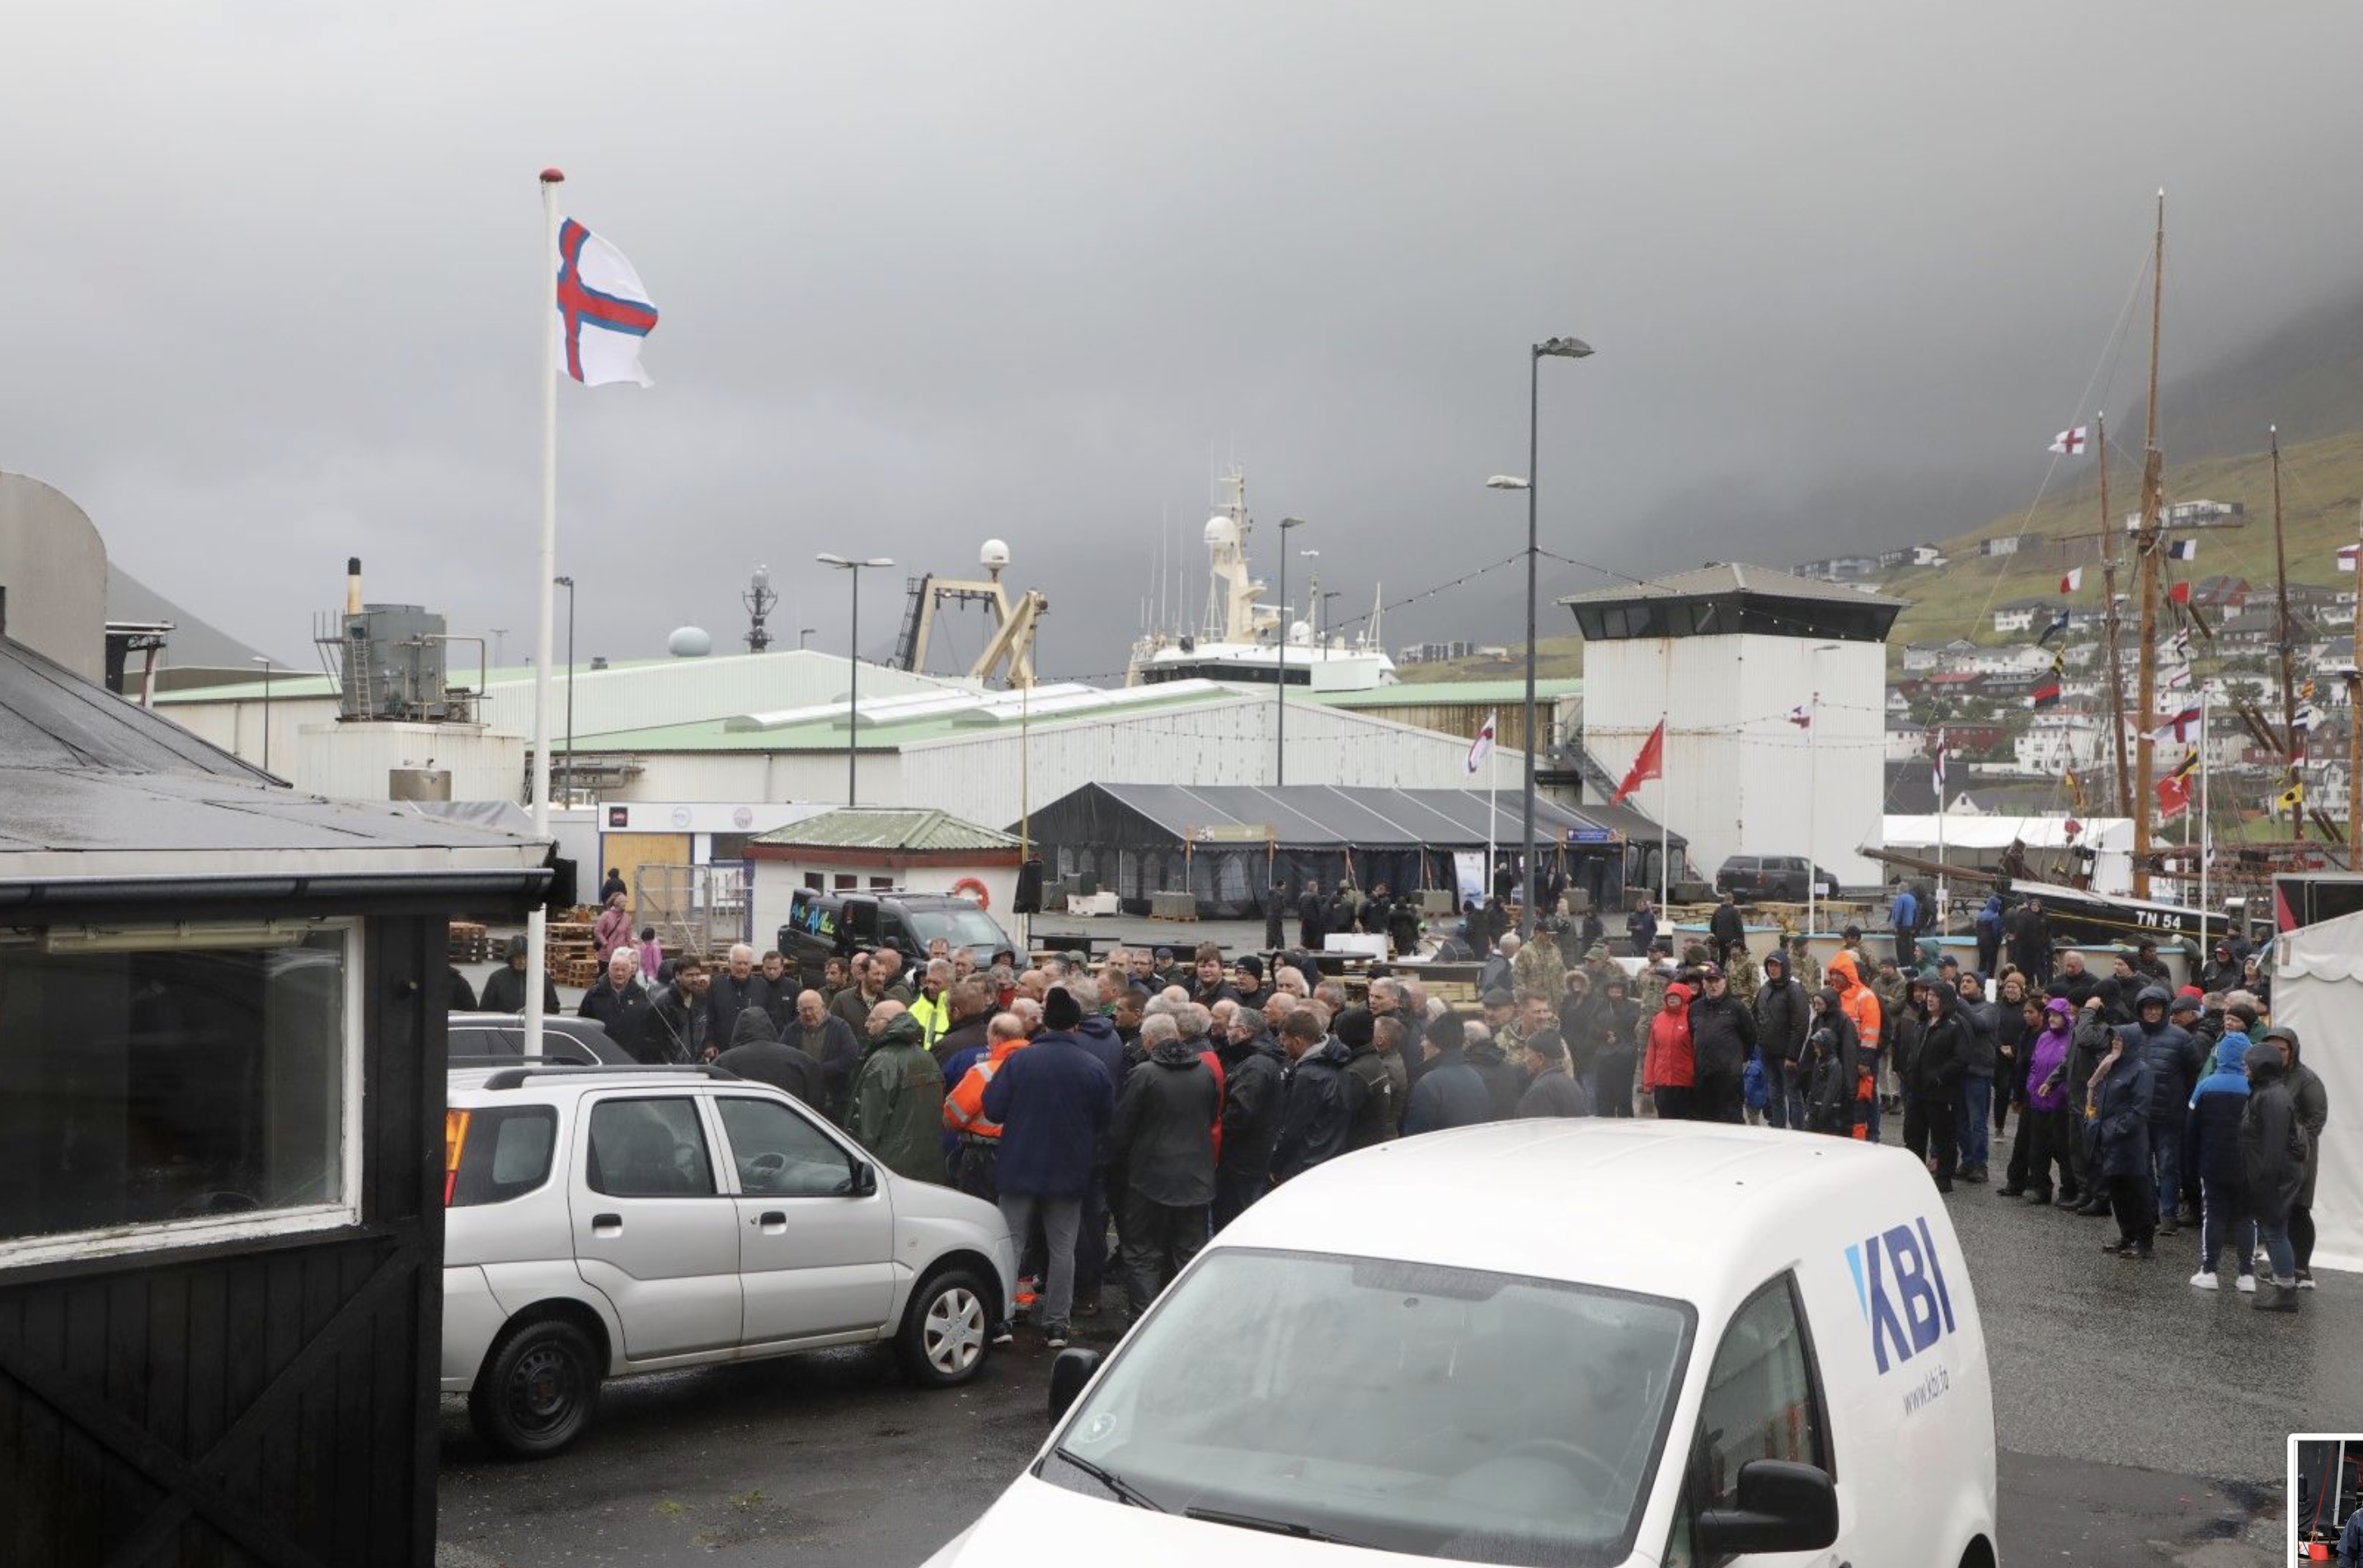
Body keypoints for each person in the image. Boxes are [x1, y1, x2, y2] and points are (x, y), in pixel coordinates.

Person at [983, 988, 1116, 1346]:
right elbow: (1106, 1118)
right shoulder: (1092, 1066)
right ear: (1076, 1027)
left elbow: (993, 1108)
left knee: (1011, 1244)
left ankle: (1002, 1319)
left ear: (1044, 1025)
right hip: (1068, 1169)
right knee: (1062, 1248)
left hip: (1019, 1165)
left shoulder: (1020, 1061)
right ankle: (1057, 1324)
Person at [1109, 1013, 1219, 1318]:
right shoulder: (1204, 1071)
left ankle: (1143, 1320)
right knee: (1189, 1251)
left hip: (1149, 1178)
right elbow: (1210, 1116)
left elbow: (1123, 1128)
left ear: (1148, 1041)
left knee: (1142, 1251)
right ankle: (1188, 1317)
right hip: (1196, 1177)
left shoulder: (1144, 1073)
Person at [2120, 984, 2202, 1237]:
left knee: (2168, 1166)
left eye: (2157, 1008)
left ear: (2165, 1010)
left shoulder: (2182, 1038)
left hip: (2169, 1114)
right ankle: (2149, 1213)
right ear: (2140, 1010)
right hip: (2138, 1114)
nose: (2153, 1012)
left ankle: (2169, 1215)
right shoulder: (2129, 1034)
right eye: (2148, 1008)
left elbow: (2194, 1074)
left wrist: (2186, 1107)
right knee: (2141, 1166)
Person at [2183, 1029, 2255, 1293]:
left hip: (2212, 1160)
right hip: (2248, 1164)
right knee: (2246, 1218)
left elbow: (2191, 1129)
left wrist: (2189, 1165)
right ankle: (2246, 1275)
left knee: (2213, 1214)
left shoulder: (2206, 1085)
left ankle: (2209, 1270)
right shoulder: (2254, 1087)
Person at [2240, 1036, 2309, 1312]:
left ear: (2261, 1066)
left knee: (2275, 1231)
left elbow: (2274, 1146)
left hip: (2275, 1176)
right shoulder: (2266, 1092)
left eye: (2248, 1064)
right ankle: (2284, 1288)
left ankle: (2286, 1292)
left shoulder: (2272, 1098)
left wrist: (2265, 1185)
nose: (2245, 1068)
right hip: (2271, 1173)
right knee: (2274, 1230)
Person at [2261, 1024, 2328, 1289]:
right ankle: (2284, 1268)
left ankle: (2302, 1270)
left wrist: (2294, 1142)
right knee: (2278, 1210)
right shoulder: (2265, 1075)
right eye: (2272, 1049)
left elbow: (2316, 1118)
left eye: (2282, 1049)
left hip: (2300, 1155)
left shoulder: (2306, 1079)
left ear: (2293, 1051)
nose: (2277, 1054)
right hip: (2271, 1152)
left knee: (2298, 1209)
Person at [848, 1002, 945, 1185]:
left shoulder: (883, 1062)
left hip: (889, 1166)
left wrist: (858, 1162)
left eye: (872, 1020)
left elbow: (868, 1125)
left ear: (887, 1022)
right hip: (927, 1161)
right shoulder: (927, 1056)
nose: (866, 1025)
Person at [2086, 1021, 2157, 1260]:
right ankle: (2127, 1235)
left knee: (2136, 1191)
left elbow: (2139, 1110)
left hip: (2129, 1142)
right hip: (2108, 1139)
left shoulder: (2141, 1071)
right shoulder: (2109, 1066)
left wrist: (2114, 1130)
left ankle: (2144, 1241)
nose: (2116, 1043)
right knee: (2118, 1190)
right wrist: (2094, 1124)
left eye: (2120, 1039)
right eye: (2114, 1039)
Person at [1213, 1005, 1288, 1228]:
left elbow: (1240, 1113)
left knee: (1232, 1218)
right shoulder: (1254, 1059)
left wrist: (1219, 1130)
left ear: (1244, 1032)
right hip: (1248, 1157)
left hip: (1242, 1161)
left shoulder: (1256, 1065)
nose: (1227, 1033)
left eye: (1230, 1027)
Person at [1271, 1007, 1362, 1180]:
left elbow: (1293, 1129)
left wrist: (1275, 1165)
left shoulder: (1308, 1076)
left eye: (1284, 1041)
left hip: (1305, 1164)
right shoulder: (1339, 1064)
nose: (1283, 1047)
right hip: (1331, 1160)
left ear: (1298, 1041)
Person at [2018, 998, 2079, 1205]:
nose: (2051, 1019)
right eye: (2049, 1015)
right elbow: (2034, 1064)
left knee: (2063, 1149)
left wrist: (2061, 1091)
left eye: (2056, 1015)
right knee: (2038, 1147)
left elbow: (2070, 1069)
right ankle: (2041, 1188)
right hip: (2038, 1100)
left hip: (2061, 1103)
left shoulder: (2072, 1039)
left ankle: (2069, 1190)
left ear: (2066, 1016)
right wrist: (2031, 1086)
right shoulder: (2044, 1037)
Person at [714, 1007, 828, 1108]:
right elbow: (817, 1100)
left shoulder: (722, 1063)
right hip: (790, 1122)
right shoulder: (801, 1061)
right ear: (769, 1027)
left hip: (738, 1122)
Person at [1687, 964, 1758, 1124]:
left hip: (1729, 1077)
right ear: (1703, 984)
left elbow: (1750, 1036)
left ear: (1724, 982)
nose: (1713, 985)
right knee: (1705, 1122)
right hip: (1703, 1075)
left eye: (1716, 981)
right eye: (1709, 981)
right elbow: (1693, 1035)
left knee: (1731, 1122)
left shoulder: (1737, 1007)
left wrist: (1739, 1059)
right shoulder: (1695, 1008)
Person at [1402, 1012, 1494, 1134]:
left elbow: (1416, 1134)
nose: (1422, 1044)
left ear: (1437, 1047)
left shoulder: (1430, 1083)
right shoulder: (1476, 1077)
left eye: (1426, 1039)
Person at [1825, 951, 1883, 1141]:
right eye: (1832, 974)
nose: (1833, 978)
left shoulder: (1865, 996)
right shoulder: (1834, 996)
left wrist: (1865, 1061)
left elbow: (1871, 1031)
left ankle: (1867, 1139)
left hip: (1860, 1061)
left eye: (1838, 974)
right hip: (1840, 1059)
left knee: (1862, 1102)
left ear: (1848, 974)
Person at [785, 988, 862, 1124]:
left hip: (834, 1102)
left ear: (822, 1007)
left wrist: (818, 1070)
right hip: (802, 1103)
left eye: (811, 1009)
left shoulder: (840, 1027)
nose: (808, 1014)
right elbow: (784, 1057)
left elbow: (850, 1056)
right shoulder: (791, 1030)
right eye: (803, 1010)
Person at [1952, 971, 1999, 1183]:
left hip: (1978, 1073)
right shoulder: (1958, 1008)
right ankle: (1968, 1161)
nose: (1964, 984)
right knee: (1961, 1122)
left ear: (1980, 986)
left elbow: (1979, 1024)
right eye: (1962, 981)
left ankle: (1980, 1165)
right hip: (1959, 1072)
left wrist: (1959, 1003)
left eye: (1969, 981)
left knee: (1977, 1122)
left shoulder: (1990, 1008)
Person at [1755, 950, 1808, 1129]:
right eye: (1770, 965)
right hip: (1767, 1052)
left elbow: (1800, 1025)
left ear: (1784, 967)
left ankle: (1798, 1132)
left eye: (1776, 965)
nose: (1773, 969)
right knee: (1774, 1094)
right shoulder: (1765, 988)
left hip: (1786, 1055)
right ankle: (1779, 1130)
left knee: (1793, 1095)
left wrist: (1792, 1056)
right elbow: (1756, 1015)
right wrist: (1759, 1040)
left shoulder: (1794, 990)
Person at [1798, 988, 1861, 1139]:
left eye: (1819, 1004)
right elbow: (1810, 1048)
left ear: (1829, 1003)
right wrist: (1803, 1073)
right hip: (1820, 1074)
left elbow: (1849, 1055)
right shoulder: (1819, 1019)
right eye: (1814, 1004)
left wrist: (1850, 1089)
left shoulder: (1843, 1022)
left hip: (1836, 1075)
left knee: (1833, 1124)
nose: (1816, 1007)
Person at [636, 955, 712, 1064]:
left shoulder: (702, 1000)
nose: (695, 979)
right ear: (677, 976)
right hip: (672, 1069)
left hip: (698, 1067)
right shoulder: (662, 1003)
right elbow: (652, 1042)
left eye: (697, 974)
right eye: (689, 975)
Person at [1642, 980, 1697, 1122]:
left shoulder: (1692, 1017)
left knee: (1685, 1125)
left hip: (1686, 1084)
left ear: (1684, 997)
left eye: (1676, 996)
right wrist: (1648, 1081)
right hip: (1662, 1084)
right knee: (1665, 1124)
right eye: (1669, 996)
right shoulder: (1658, 1019)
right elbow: (1651, 1052)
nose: (1672, 998)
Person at [577, 948, 651, 1045]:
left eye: (623, 970)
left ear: (630, 973)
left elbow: (648, 1026)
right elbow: (582, 1023)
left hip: (631, 1051)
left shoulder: (640, 994)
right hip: (601, 1048)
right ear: (609, 971)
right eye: (616, 969)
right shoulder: (594, 994)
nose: (619, 973)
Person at [480, 932, 561, 1015]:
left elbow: (553, 1008)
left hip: (534, 1023)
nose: (522, 961)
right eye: (518, 957)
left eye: (525, 957)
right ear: (511, 958)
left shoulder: (542, 978)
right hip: (506, 1023)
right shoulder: (497, 979)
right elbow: (485, 1010)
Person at [1593, 976, 1639, 1118]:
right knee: (1604, 1094)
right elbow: (1591, 1025)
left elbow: (1632, 1024)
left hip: (1625, 1055)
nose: (1615, 990)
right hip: (1604, 1055)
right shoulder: (1600, 1005)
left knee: (1623, 1095)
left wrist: (1617, 1037)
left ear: (1624, 990)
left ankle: (1625, 1123)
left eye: (1618, 988)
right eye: (1612, 988)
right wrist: (1603, 1034)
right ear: (1607, 990)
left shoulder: (1632, 1005)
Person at [707, 944, 769, 1047]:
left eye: (746, 963)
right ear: (729, 963)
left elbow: (768, 1019)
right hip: (723, 1047)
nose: (742, 967)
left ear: (751, 965)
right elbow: (709, 1016)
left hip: (752, 1048)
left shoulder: (762, 986)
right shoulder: (717, 984)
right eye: (738, 963)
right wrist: (709, 1043)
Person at [1516, 1030, 1590, 1117]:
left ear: (1541, 1058)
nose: (1525, 1060)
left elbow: (1531, 1124)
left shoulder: (1540, 1090)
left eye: (1527, 1054)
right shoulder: (1572, 1084)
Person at [908, 959, 956, 1050]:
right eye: (928, 981)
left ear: (950, 984)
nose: (930, 987)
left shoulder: (956, 1011)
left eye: (936, 983)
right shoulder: (914, 1009)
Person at [2008, 896, 2052, 985]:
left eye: (2036, 905)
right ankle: (2030, 983)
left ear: (2040, 906)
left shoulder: (2045, 917)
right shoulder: (2027, 916)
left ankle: (2041, 984)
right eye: (2033, 905)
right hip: (2029, 947)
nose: (2034, 907)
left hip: (2041, 946)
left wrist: (2046, 943)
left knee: (2040, 967)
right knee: (2030, 967)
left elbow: (2049, 931)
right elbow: (2021, 931)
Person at [592, 891, 633, 963]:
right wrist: (605, 943)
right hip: (605, 954)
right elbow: (598, 931)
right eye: (622, 902)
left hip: (621, 954)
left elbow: (628, 937)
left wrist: (632, 950)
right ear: (616, 903)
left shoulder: (627, 918)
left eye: (625, 902)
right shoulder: (606, 915)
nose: (624, 904)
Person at [1890, 881, 1922, 970]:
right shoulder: (1912, 898)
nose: (1896, 890)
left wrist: (1896, 925)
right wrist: (1914, 926)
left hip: (1902, 925)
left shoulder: (1900, 898)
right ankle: (1910, 964)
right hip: (1910, 926)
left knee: (1900, 946)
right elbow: (1916, 913)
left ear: (1900, 889)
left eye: (1897, 888)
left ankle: (1902, 964)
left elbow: (1898, 912)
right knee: (1909, 946)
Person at [1974, 894, 2004, 979]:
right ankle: (1989, 984)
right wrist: (1999, 942)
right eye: (1998, 905)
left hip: (1981, 942)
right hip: (1991, 944)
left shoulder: (1980, 915)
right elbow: (1996, 932)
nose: (1999, 907)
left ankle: (1980, 981)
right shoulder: (1995, 917)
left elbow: (1976, 930)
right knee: (1991, 965)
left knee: (1982, 963)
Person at [1708, 891, 1745, 958]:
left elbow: (1712, 926)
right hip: (1731, 941)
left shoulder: (1717, 910)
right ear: (1732, 900)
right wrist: (1742, 942)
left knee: (1722, 958)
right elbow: (1739, 928)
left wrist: (1716, 936)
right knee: (1730, 959)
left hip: (1719, 939)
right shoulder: (1735, 911)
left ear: (1724, 900)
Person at [1296, 880, 1328, 951]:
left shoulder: (1302, 895)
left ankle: (1306, 948)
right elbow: (1319, 909)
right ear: (1315, 887)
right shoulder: (1315, 896)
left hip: (1305, 920)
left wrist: (1300, 918)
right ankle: (1314, 949)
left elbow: (1299, 907)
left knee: (1306, 936)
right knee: (1314, 936)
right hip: (1314, 920)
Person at [1625, 896, 1658, 960]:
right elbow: (1628, 928)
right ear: (1637, 906)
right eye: (1639, 906)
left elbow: (1654, 928)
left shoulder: (1650, 916)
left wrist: (1651, 936)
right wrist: (1635, 928)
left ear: (1645, 906)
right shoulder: (1632, 916)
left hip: (1647, 941)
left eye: (1642, 906)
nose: (1641, 908)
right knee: (1638, 957)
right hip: (1636, 941)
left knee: (1647, 957)